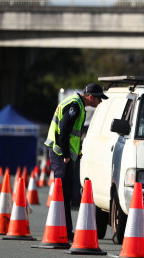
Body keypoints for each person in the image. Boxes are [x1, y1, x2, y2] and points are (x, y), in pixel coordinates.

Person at [44, 83, 107, 241]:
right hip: (60, 153)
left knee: (66, 192)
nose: (100, 102)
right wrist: (66, 154)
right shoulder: (75, 105)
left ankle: (64, 229)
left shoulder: (77, 104)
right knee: (63, 192)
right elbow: (64, 131)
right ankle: (62, 231)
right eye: (99, 99)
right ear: (91, 97)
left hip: (64, 154)